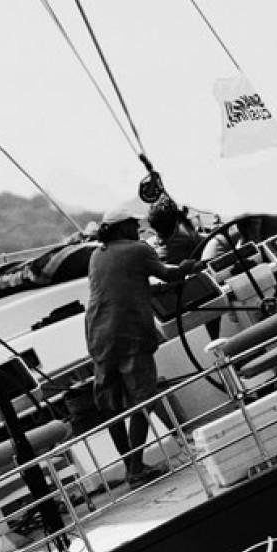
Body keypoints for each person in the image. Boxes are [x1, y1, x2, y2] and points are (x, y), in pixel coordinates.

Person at [85, 207, 197, 485]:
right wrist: (188, 267)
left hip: (99, 337)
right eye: (133, 224)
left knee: (112, 408)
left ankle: (130, 465)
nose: (137, 228)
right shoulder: (138, 249)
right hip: (130, 336)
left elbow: (124, 286)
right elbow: (169, 274)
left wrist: (154, 290)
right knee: (143, 400)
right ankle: (136, 468)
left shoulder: (96, 255)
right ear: (122, 228)